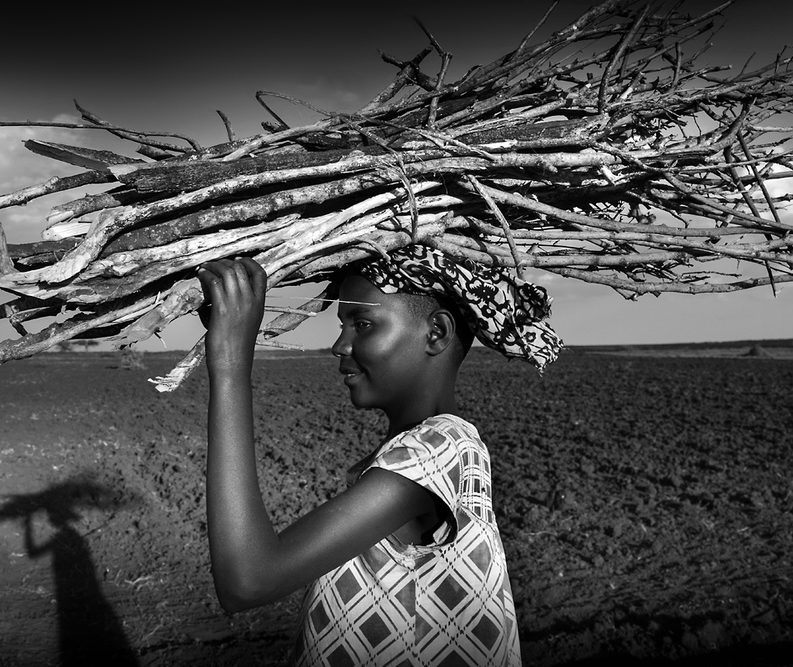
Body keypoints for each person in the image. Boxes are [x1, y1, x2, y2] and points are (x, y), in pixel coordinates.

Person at [196, 244, 562, 666]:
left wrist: (230, 363)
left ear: (436, 333)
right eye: (343, 326)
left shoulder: (436, 449)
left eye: (363, 324)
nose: (339, 345)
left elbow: (248, 580)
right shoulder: (430, 449)